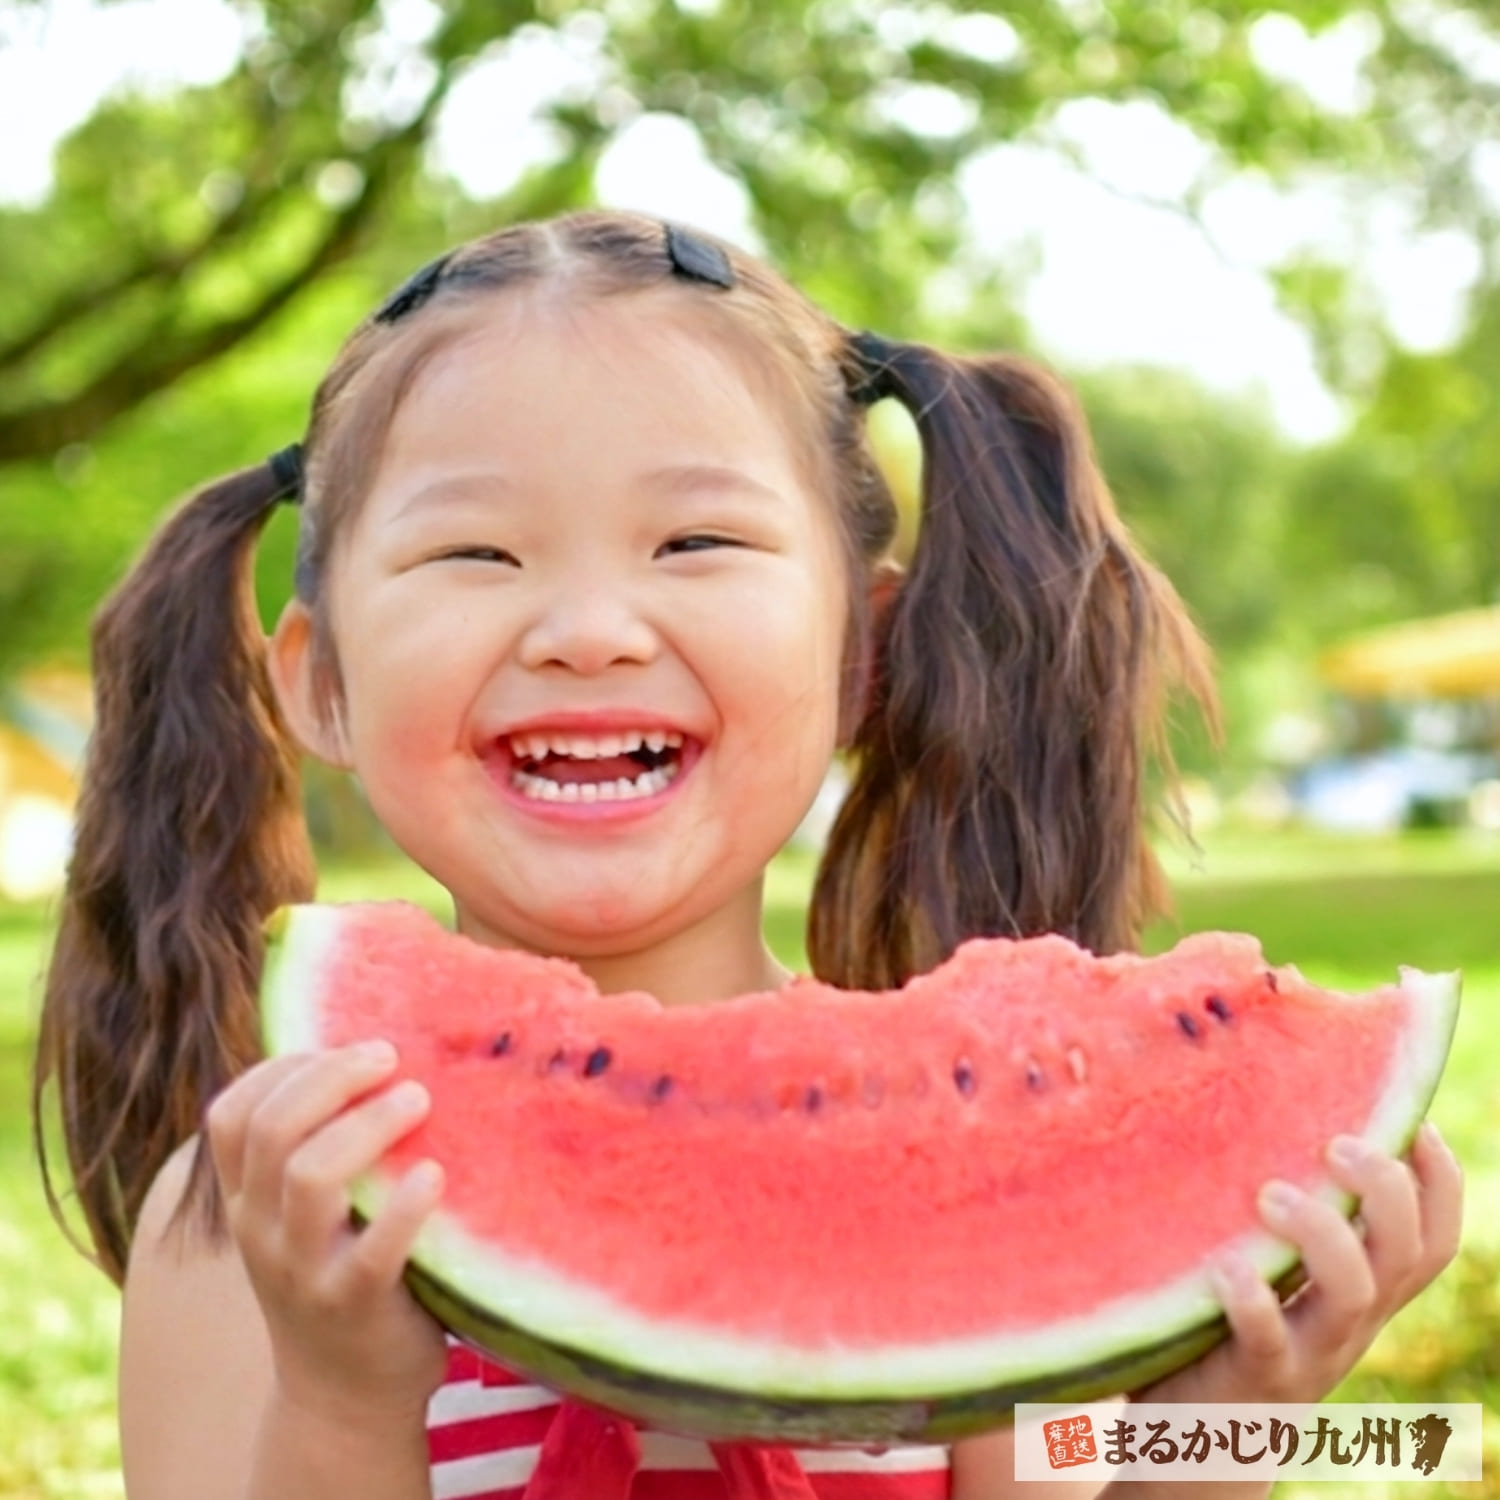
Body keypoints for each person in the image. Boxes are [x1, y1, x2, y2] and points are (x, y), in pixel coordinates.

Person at [33, 210, 1462, 1500]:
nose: (589, 630)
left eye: (697, 541)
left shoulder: (979, 1164)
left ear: (860, 660)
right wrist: (344, 1401)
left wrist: (1214, 1437)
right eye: (475, 555)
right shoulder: (248, 1218)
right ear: (320, 684)